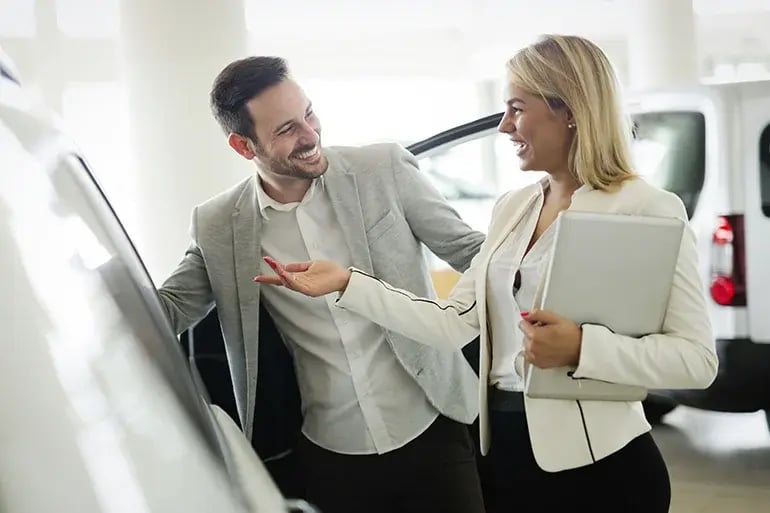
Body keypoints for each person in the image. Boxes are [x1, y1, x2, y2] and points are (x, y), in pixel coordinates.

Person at [254, 35, 719, 513]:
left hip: (602, 472)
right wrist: (346, 283)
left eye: (517, 108)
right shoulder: (514, 208)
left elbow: (696, 361)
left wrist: (583, 347)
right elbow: (453, 321)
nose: (504, 126)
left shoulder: (647, 210)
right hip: (503, 462)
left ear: (570, 109)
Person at [157, 56, 487, 513]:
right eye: (286, 129)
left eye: (309, 114)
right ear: (242, 145)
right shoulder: (219, 225)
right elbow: (169, 308)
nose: (310, 135)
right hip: (330, 454)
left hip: (434, 426)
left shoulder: (383, 170)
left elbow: (477, 254)